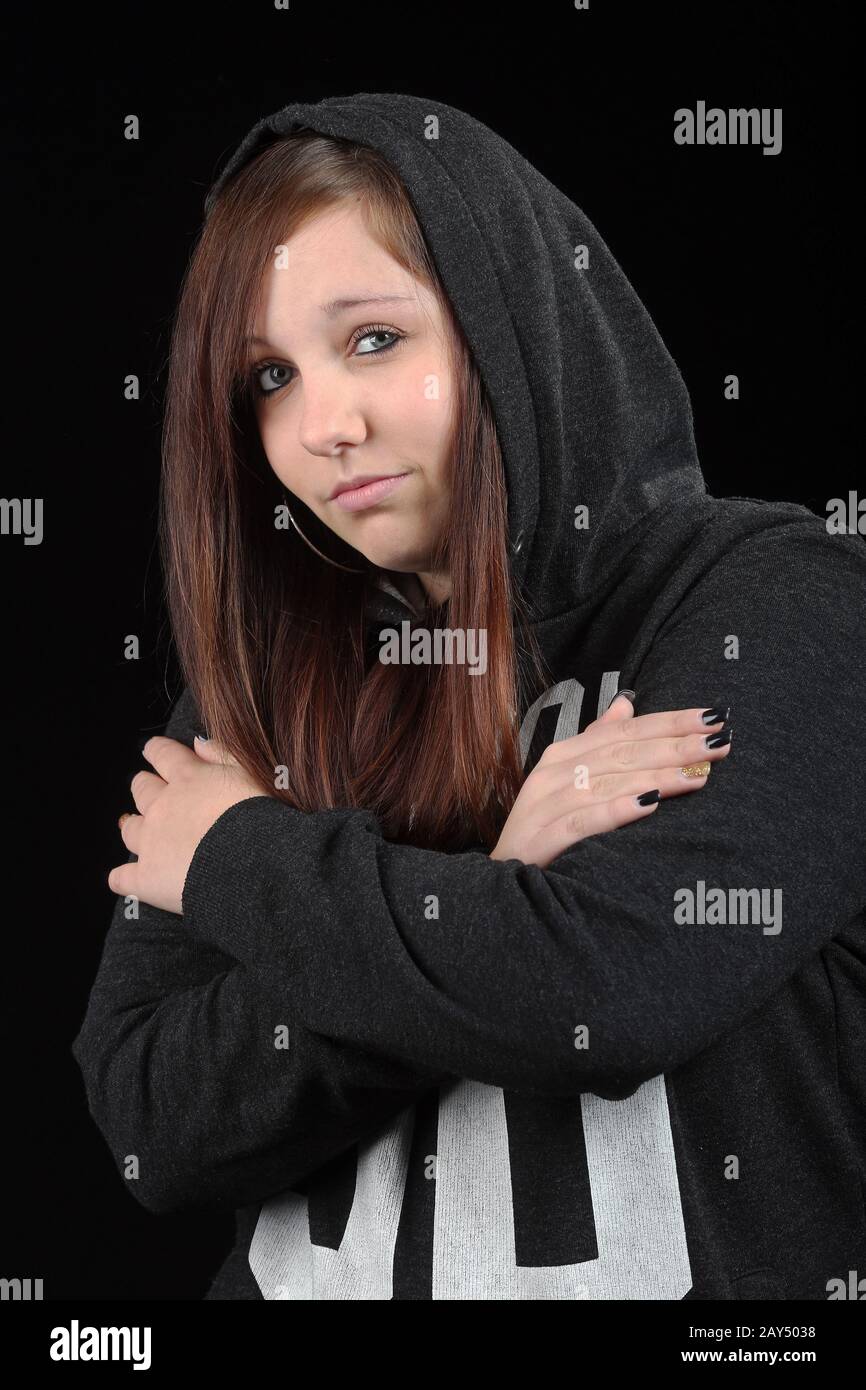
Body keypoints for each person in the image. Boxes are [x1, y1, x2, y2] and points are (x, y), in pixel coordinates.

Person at [72, 93, 866, 1301]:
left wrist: (245, 862)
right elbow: (150, 1120)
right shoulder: (258, 687)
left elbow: (612, 989)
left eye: (376, 339)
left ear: (512, 320)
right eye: (271, 375)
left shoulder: (775, 600)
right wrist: (493, 881)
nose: (324, 425)